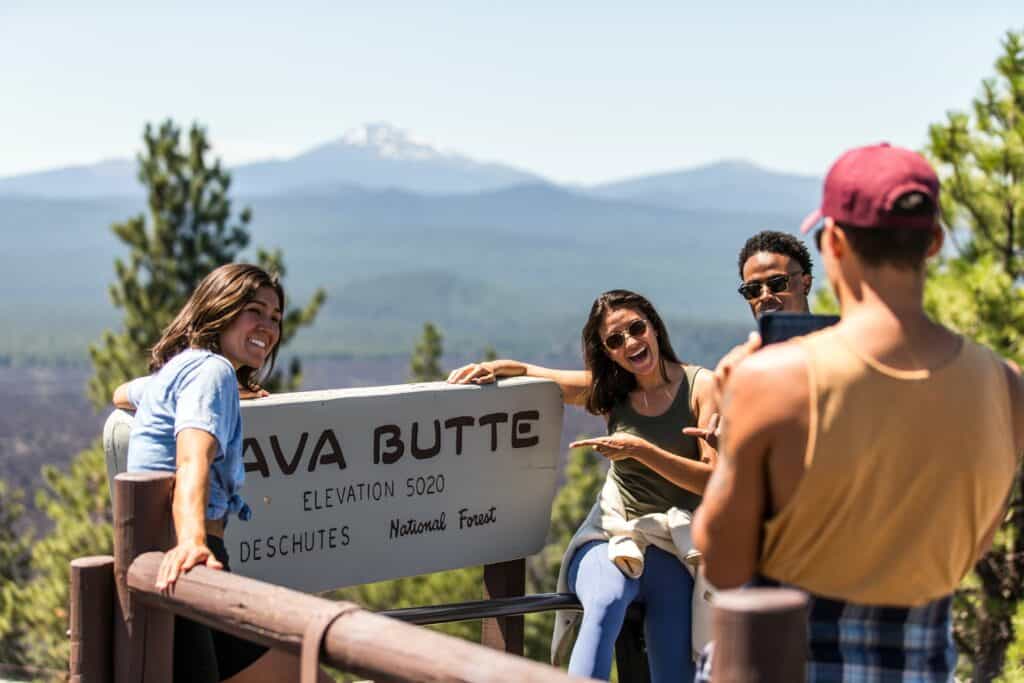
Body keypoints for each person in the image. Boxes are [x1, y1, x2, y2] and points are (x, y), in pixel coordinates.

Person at [693, 143, 1022, 681]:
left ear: (835, 244)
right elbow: (967, 551)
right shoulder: (1006, 386)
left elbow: (725, 567)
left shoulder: (771, 381)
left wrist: (734, 426)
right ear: (934, 242)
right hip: (918, 669)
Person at [448, 289, 718, 683]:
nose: (630, 343)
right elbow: (547, 380)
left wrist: (640, 451)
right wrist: (498, 368)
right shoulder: (611, 391)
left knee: (675, 670)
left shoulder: (701, 387)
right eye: (615, 340)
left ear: (654, 328)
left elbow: (712, 480)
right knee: (607, 600)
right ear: (608, 353)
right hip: (609, 536)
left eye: (636, 328)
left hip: (671, 548)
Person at [113, 263, 331, 683]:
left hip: (166, 559)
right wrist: (193, 543)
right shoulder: (212, 372)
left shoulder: (183, 370)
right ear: (219, 308)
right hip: (188, 562)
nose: (267, 326)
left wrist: (235, 391)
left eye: (275, 318)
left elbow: (123, 393)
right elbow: (192, 457)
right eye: (255, 310)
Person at [736, 230, 813, 318]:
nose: (765, 296)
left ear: (806, 284)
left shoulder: (831, 331)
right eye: (753, 290)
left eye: (777, 284)